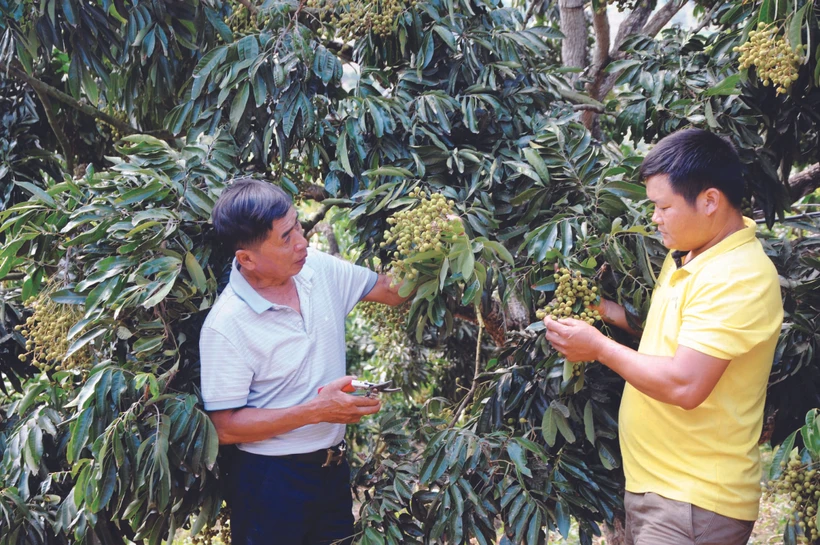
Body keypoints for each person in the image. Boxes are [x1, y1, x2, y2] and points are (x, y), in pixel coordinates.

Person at [542, 129, 783, 545]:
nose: (655, 218)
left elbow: (686, 383)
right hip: (661, 489)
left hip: (693, 501)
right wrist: (602, 310)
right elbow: (674, 335)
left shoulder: (737, 276)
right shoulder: (692, 254)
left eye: (663, 206)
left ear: (709, 201)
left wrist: (598, 348)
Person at [199, 177, 408, 545]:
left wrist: (441, 247)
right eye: (285, 237)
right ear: (246, 258)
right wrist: (316, 411)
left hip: (331, 470)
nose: (302, 241)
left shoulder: (317, 269)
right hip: (270, 482)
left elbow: (392, 292)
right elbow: (225, 428)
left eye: (298, 225)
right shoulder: (226, 324)